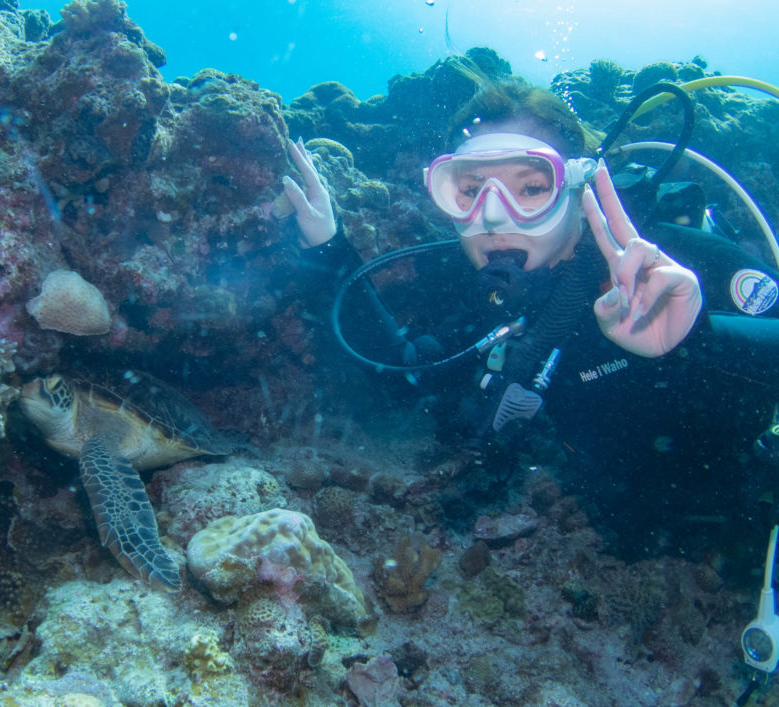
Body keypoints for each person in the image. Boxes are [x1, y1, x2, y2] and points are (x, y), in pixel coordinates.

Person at [282, 77, 779, 564]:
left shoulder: (673, 269)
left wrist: (694, 342)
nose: (493, 216)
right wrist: (329, 248)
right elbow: (404, 374)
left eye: (532, 188)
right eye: (471, 189)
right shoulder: (484, 296)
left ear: (577, 188)